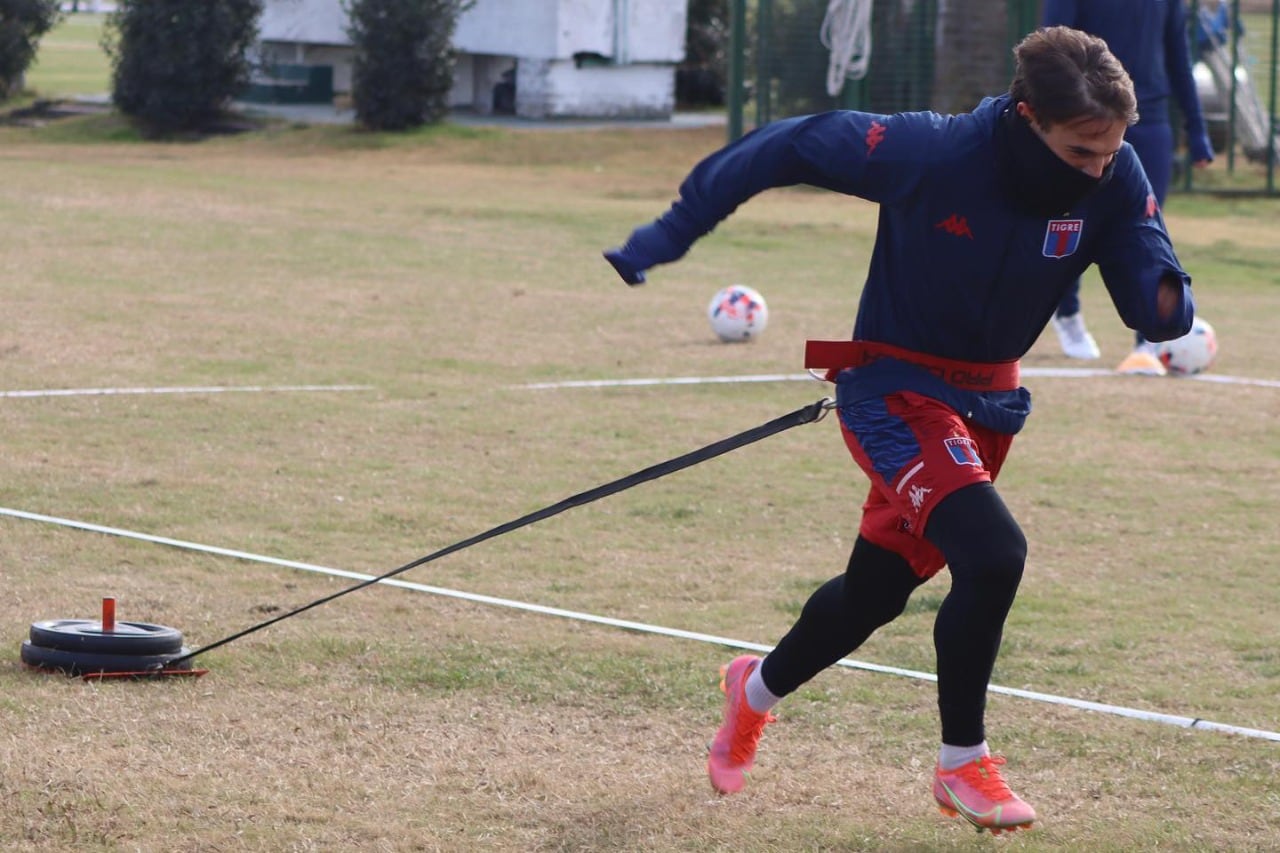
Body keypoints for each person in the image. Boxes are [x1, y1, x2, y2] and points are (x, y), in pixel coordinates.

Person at [603, 26, 1193, 834]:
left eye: (1110, 153)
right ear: (1028, 120)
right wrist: (669, 233)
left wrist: (1164, 297)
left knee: (874, 596)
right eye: (1080, 151)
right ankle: (962, 765)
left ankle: (752, 689)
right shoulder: (936, 152)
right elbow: (788, 145)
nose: (1100, 169)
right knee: (995, 554)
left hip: (988, 403)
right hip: (894, 389)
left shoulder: (1113, 172)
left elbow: (1144, 276)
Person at [1042, 0, 1213, 373]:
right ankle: (1067, 312)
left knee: (1147, 232)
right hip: (1086, 117)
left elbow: (1177, 55)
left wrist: (1196, 128)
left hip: (1149, 120)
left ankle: (1147, 342)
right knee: (1071, 221)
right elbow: (1049, 50)